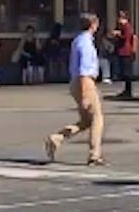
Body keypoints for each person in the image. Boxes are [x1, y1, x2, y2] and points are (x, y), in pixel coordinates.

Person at [44, 13, 105, 166]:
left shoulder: (78, 39)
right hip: (84, 82)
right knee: (97, 118)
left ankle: (56, 138)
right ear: (93, 25)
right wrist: (85, 94)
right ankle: (94, 155)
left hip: (77, 82)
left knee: (85, 121)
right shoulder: (85, 43)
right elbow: (84, 69)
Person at [112, 11, 136, 98]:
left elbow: (126, 37)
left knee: (126, 72)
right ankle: (127, 90)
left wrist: (118, 34)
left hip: (125, 51)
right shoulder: (124, 26)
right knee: (125, 71)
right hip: (123, 50)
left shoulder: (127, 26)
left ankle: (128, 91)